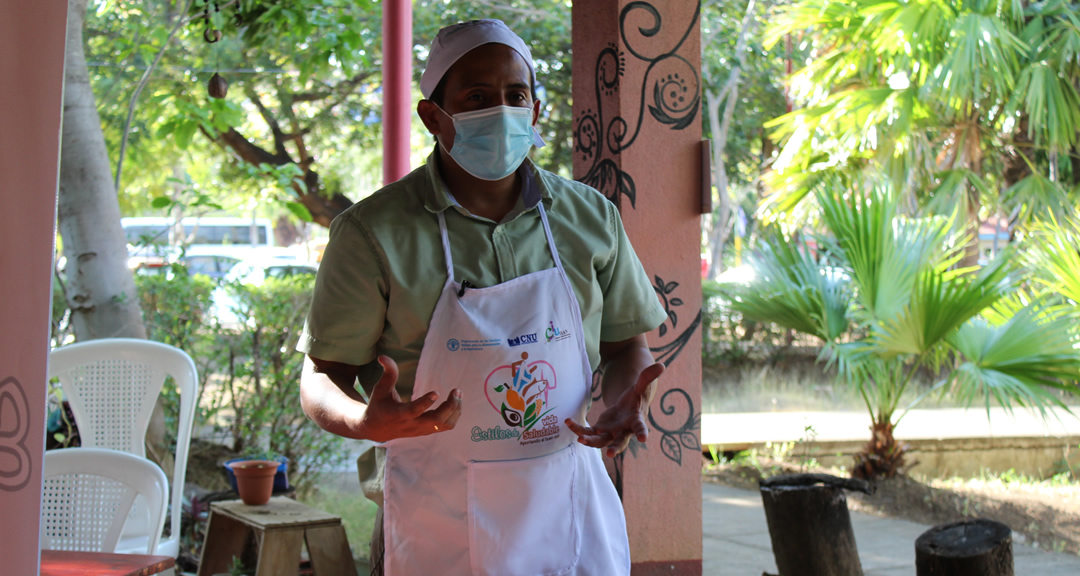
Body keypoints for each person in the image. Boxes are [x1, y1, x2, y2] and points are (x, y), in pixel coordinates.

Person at [297, 19, 667, 575]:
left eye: (516, 95)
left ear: (535, 111)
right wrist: (364, 421)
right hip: (433, 518)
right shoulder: (374, 232)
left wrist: (621, 400)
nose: (501, 110)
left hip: (566, 509)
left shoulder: (591, 218)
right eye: (476, 97)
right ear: (433, 116)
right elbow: (320, 377)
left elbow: (625, 349)